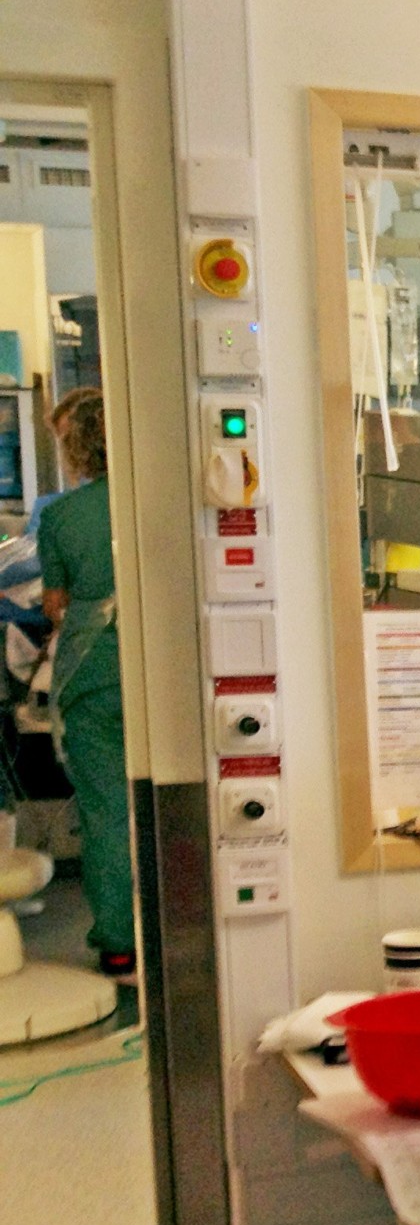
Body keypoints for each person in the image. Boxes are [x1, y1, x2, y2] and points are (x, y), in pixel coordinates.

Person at [36, 387, 134, 979]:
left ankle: (119, 945)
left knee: (106, 815)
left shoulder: (62, 517)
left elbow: (55, 605)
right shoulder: (157, 503)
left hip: (92, 680)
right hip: (158, 675)